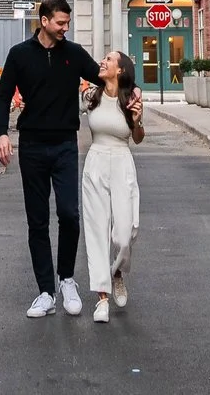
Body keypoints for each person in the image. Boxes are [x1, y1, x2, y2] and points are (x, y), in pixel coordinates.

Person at [0, 0, 100, 319]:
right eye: (60, 23)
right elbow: (3, 97)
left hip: (66, 144)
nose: (65, 28)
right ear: (44, 21)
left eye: (68, 23)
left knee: (69, 214)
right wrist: (2, 134)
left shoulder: (74, 53)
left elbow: (103, 77)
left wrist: (130, 87)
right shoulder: (19, 54)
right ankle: (46, 292)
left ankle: (66, 279)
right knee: (37, 220)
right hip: (32, 147)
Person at [80, 49, 144, 322]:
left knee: (125, 233)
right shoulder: (91, 97)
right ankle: (102, 298)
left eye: (109, 59)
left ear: (120, 70)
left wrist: (137, 122)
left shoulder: (131, 99)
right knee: (96, 231)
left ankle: (117, 271)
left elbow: (138, 138)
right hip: (95, 162)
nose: (102, 61)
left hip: (122, 163)